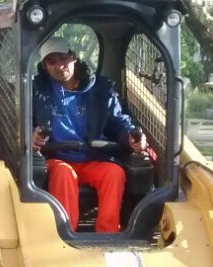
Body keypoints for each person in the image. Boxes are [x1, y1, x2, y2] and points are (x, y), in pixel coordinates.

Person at [30, 37, 146, 233]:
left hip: (93, 157)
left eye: (62, 58)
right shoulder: (35, 91)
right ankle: (66, 234)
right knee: (64, 173)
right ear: (45, 66)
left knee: (114, 173)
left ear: (73, 57)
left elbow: (117, 121)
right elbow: (24, 123)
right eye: (51, 61)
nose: (59, 65)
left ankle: (108, 234)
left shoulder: (101, 89)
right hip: (56, 158)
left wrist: (130, 138)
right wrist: (32, 136)